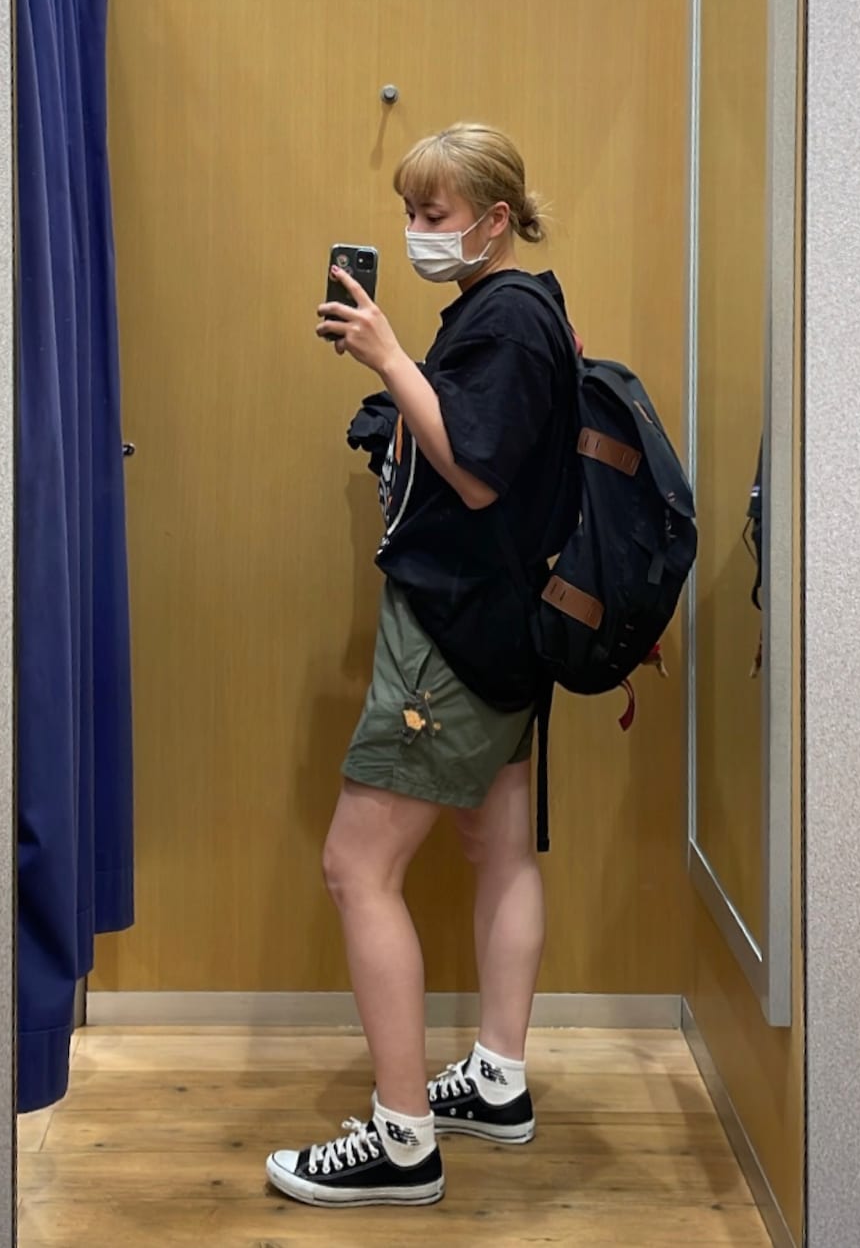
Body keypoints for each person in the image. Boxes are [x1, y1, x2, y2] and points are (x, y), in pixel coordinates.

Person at [265, 122, 579, 1209]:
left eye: (433, 215)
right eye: (408, 212)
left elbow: (479, 474)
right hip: (504, 625)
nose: (414, 232)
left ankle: (403, 1140)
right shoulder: (525, 308)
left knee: (357, 867)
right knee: (498, 844)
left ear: (492, 219)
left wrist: (390, 358)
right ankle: (496, 1080)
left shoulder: (506, 318)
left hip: (455, 630)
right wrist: (396, 390)